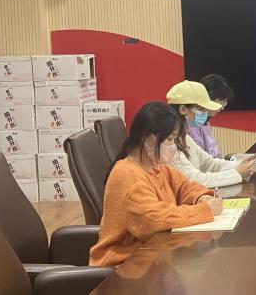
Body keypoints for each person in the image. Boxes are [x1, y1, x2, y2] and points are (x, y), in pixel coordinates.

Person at [90, 102, 222, 267]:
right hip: (123, 267)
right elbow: (154, 221)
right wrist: (204, 210)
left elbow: (183, 186)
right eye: (169, 139)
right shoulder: (127, 176)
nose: (173, 146)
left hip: (152, 258)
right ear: (146, 137)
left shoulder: (153, 166)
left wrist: (201, 197)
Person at [166, 80, 256, 189]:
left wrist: (241, 165)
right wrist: (236, 173)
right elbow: (194, 180)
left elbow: (209, 163)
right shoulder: (169, 143)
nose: (205, 114)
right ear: (183, 109)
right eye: (201, 109)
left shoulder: (184, 137)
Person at [185, 74, 232, 159]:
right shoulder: (193, 121)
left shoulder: (203, 118)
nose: (222, 107)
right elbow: (200, 160)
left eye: (225, 102)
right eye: (221, 102)